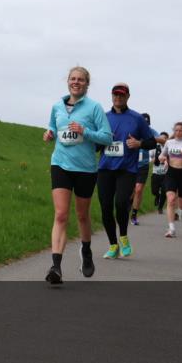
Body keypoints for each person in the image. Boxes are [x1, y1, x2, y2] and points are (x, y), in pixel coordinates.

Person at [43, 66, 113, 285]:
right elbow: (53, 127)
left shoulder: (94, 108)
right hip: (60, 164)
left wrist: (85, 131)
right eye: (73, 79)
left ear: (87, 84)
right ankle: (56, 266)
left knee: (82, 215)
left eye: (80, 80)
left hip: (85, 168)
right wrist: (49, 133)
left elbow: (107, 138)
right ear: (68, 82)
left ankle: (86, 250)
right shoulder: (57, 106)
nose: (76, 82)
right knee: (61, 214)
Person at [96, 83, 161, 259]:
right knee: (106, 207)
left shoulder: (137, 118)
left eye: (122, 95)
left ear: (127, 97)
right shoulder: (103, 117)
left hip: (127, 170)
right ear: (111, 96)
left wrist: (139, 144)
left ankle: (123, 236)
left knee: (121, 203)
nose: (118, 98)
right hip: (105, 169)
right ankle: (112, 244)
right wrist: (100, 141)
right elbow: (95, 145)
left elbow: (152, 142)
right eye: (115, 95)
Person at [130, 112, 161, 225]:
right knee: (130, 191)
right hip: (130, 163)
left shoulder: (150, 132)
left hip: (143, 165)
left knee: (138, 190)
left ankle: (134, 215)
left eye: (147, 124)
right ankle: (129, 204)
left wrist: (159, 139)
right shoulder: (132, 129)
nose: (145, 127)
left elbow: (160, 137)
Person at [151, 132, 170, 212]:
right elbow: (151, 158)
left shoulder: (169, 148)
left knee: (164, 191)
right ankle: (157, 196)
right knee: (154, 190)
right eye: (161, 138)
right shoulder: (155, 147)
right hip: (156, 172)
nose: (162, 139)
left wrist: (166, 161)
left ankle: (160, 207)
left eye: (164, 138)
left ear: (167, 139)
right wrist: (154, 159)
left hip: (166, 173)